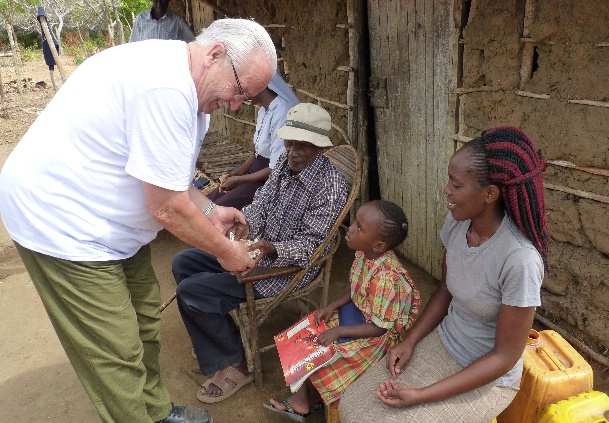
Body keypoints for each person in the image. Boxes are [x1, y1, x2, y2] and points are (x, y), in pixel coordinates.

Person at [0, 19, 276, 423]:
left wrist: (211, 211)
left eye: (246, 99)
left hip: (109, 227)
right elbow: (166, 207)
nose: (236, 105)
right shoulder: (165, 89)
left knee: (145, 318)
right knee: (115, 349)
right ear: (215, 54)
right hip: (64, 224)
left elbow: (173, 181)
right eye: (238, 91)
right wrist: (226, 252)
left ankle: (158, 413)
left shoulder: (189, 87)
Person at [339, 127, 547, 423]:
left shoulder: (519, 260)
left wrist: (421, 394)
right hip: (444, 341)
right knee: (352, 405)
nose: (446, 190)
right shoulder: (457, 223)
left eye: (456, 184)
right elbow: (445, 290)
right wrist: (410, 342)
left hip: (487, 377)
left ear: (490, 194)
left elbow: (504, 358)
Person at [172, 103, 349, 404]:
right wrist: (244, 225)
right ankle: (216, 338)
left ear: (319, 147)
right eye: (289, 143)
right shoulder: (283, 164)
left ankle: (237, 364)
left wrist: (271, 248)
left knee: (192, 293)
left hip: (286, 267)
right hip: (257, 250)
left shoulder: (330, 185)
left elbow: (313, 246)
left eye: (301, 147)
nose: (292, 152)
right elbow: (261, 204)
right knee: (184, 262)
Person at [264, 200, 421, 421]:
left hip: (373, 337)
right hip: (356, 317)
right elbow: (354, 287)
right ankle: (304, 399)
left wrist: (338, 331)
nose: (351, 228)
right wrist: (332, 306)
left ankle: (302, 404)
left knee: (313, 350)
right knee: (301, 337)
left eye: (359, 227)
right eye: (355, 222)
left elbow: (378, 328)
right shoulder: (362, 254)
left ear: (378, 245)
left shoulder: (387, 278)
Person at [206, 71, 299, 209]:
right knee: (208, 201)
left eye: (246, 87)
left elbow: (275, 168)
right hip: (254, 174)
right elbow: (256, 155)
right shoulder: (263, 111)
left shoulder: (282, 111)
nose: (243, 92)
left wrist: (239, 180)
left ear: (260, 86)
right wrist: (236, 173)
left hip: (268, 181)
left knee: (217, 208)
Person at [130, 0, 195, 43]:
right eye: (156, 0)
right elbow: (132, 44)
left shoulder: (177, 22)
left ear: (168, 1)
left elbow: (192, 42)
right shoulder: (141, 19)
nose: (158, 4)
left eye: (162, 0)